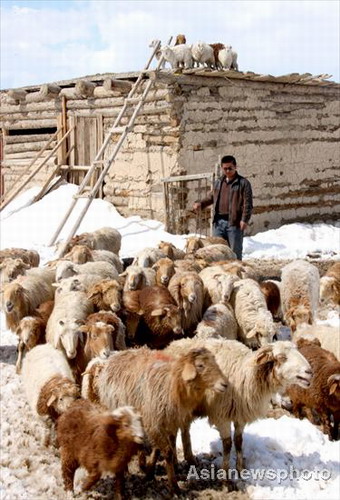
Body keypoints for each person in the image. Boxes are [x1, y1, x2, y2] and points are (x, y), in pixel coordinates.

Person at [193, 155, 253, 260]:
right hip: (218, 222)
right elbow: (211, 197)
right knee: (218, 252)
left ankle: (237, 273)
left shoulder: (243, 183)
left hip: (234, 223)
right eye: (225, 168)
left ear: (235, 167)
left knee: (234, 253)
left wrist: (244, 220)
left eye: (230, 168)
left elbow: (248, 204)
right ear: (222, 168)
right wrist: (201, 204)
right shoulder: (218, 182)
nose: (228, 171)